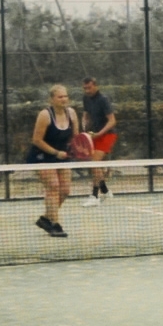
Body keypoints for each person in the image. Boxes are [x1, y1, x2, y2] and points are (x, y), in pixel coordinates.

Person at [25, 84, 78, 237]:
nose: (64, 99)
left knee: (65, 190)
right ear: (52, 99)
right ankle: (55, 224)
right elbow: (37, 140)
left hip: (63, 155)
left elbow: (75, 137)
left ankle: (46, 219)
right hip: (42, 155)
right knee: (53, 187)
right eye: (60, 97)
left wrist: (78, 147)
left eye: (65, 96)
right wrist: (55, 152)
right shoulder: (45, 115)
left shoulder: (72, 113)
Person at [77, 76, 118, 206]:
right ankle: (105, 190)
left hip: (108, 135)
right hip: (94, 135)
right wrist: (85, 128)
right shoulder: (86, 98)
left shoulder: (103, 100)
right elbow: (86, 115)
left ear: (95, 86)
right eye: (85, 88)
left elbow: (112, 121)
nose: (87, 91)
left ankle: (94, 196)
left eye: (89, 88)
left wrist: (99, 134)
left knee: (94, 163)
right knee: (94, 164)